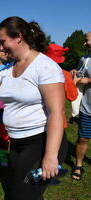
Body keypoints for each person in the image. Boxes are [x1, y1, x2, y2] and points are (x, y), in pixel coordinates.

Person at [0, 16, 67, 200]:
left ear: (18, 37)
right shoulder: (8, 70)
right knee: (28, 193)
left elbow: (57, 112)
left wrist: (50, 155)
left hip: (40, 142)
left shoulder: (44, 67)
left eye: (3, 41)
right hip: (17, 144)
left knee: (20, 195)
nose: (1, 47)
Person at [44, 43, 79, 184]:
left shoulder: (38, 71)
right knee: (60, 148)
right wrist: (74, 81)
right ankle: (51, 174)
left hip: (38, 118)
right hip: (56, 119)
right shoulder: (63, 74)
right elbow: (72, 96)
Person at [70, 31, 91, 180]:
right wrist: (75, 73)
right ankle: (78, 165)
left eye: (87, 40)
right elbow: (80, 74)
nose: (84, 43)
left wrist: (89, 80)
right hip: (87, 107)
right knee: (83, 138)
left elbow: (87, 79)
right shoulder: (84, 59)